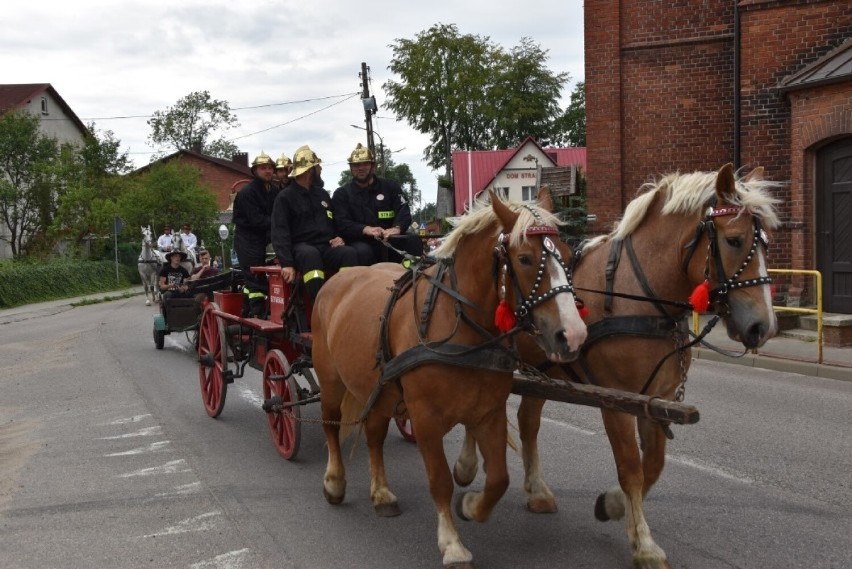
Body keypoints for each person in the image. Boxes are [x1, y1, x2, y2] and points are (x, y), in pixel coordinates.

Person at [271, 145, 358, 302]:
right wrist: (287, 263)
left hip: (325, 246)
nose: (320, 169)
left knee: (349, 253)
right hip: (301, 249)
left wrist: (340, 237)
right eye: (317, 166)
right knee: (311, 255)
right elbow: (279, 232)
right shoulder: (285, 197)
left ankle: (346, 303)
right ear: (309, 171)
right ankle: (320, 306)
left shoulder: (322, 195)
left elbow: (335, 220)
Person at [332, 143, 423, 266]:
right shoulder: (342, 194)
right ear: (351, 168)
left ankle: (414, 280)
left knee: (413, 240)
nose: (360, 168)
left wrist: (397, 228)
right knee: (362, 252)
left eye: (365, 164)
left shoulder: (391, 187)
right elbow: (341, 222)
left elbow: (404, 211)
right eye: (356, 165)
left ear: (373, 166)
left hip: (390, 239)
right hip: (361, 241)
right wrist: (365, 229)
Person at [232, 151, 280, 316]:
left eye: (270, 168)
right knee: (255, 277)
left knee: (256, 278)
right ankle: (257, 313)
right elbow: (257, 221)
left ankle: (246, 310)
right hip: (247, 239)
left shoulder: (274, 190)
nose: (267, 171)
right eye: (263, 168)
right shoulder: (247, 193)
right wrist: (281, 223)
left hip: (264, 237)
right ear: (255, 171)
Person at [158, 250, 191, 319]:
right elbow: (162, 287)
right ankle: (168, 318)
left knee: (191, 295)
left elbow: (186, 284)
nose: (178, 258)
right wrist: (170, 286)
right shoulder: (164, 270)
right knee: (168, 295)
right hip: (169, 292)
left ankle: (188, 317)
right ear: (171, 258)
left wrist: (184, 288)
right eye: (176, 256)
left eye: (179, 256)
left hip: (180, 292)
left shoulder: (184, 271)